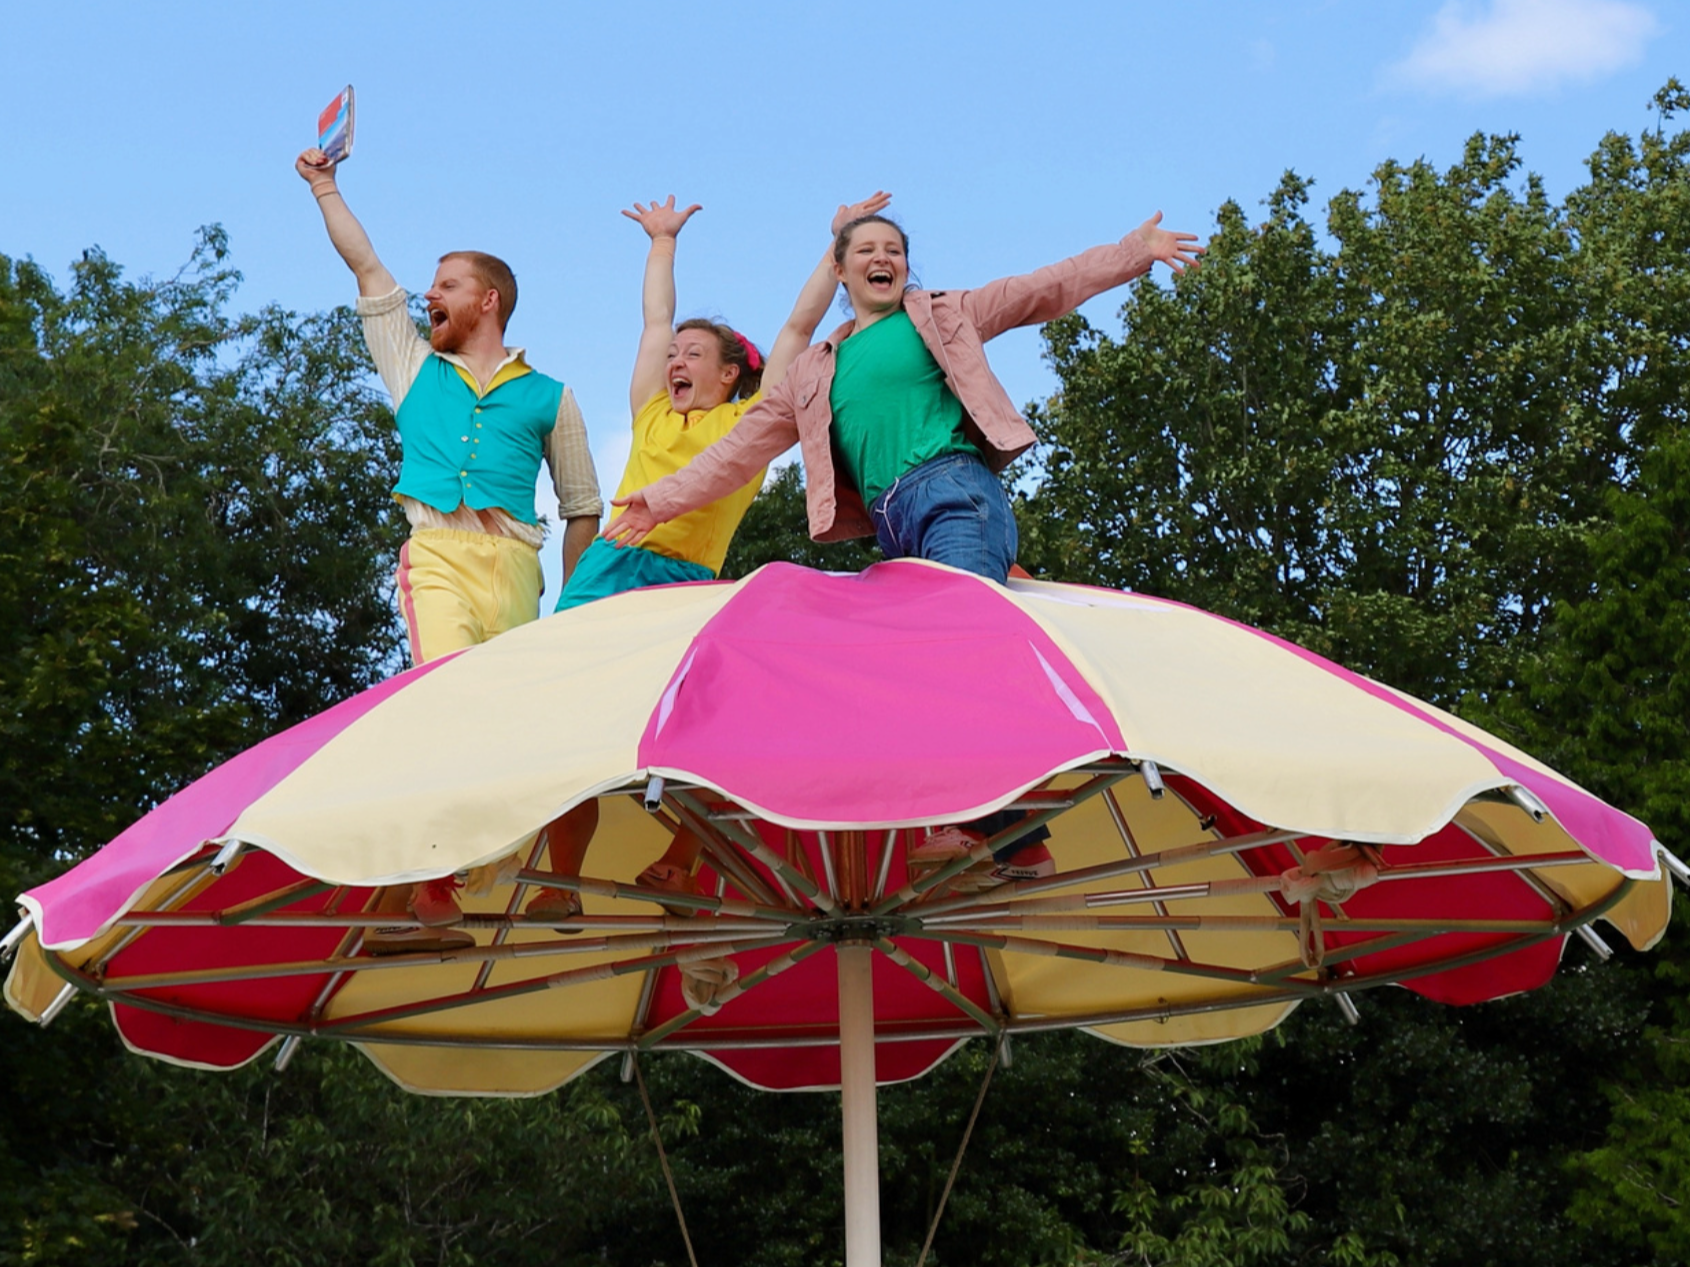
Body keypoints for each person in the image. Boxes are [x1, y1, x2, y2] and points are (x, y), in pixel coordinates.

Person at [602, 210, 1203, 886]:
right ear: (840, 269)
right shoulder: (812, 372)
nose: (881, 257)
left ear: (906, 266)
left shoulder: (942, 315)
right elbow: (738, 451)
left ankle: (962, 816)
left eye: (893, 248)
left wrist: (1133, 251)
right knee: (913, 667)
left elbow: (1043, 288)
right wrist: (662, 499)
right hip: (894, 532)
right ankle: (1022, 847)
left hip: (955, 495)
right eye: (866, 249)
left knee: (951, 649)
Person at [526, 192, 891, 930]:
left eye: (693, 354)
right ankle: (560, 883)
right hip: (608, 571)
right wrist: (661, 243)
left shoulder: (750, 425)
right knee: (570, 724)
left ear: (730, 375)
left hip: (688, 588)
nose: (675, 360)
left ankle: (681, 860)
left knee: (711, 731)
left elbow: (797, 329)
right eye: (674, 356)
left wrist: (838, 245)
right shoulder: (651, 413)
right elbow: (654, 321)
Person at [295, 146, 603, 952]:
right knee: (445, 700)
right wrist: (325, 187)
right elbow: (368, 268)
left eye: (447, 284)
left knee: (522, 729)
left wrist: (573, 605)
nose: (430, 294)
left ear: (488, 300)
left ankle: (507, 882)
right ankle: (429, 883)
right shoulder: (412, 366)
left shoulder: (552, 396)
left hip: (519, 571)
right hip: (437, 555)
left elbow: (582, 507)